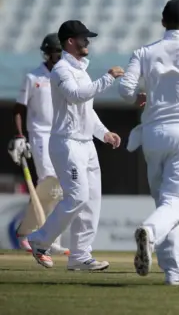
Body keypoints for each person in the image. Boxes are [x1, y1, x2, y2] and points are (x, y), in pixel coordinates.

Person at [119, 0, 179, 286]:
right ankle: (149, 233)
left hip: (152, 133)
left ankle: (174, 274)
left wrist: (142, 96)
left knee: (167, 202)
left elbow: (126, 91)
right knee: (178, 204)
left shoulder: (143, 52)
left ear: (163, 23)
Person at [27, 20, 123, 270]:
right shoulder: (60, 70)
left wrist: (104, 134)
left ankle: (80, 255)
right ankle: (39, 239)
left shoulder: (82, 70)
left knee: (92, 200)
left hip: (86, 144)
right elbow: (75, 95)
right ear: (70, 41)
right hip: (66, 144)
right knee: (77, 197)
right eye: (84, 38)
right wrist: (108, 79)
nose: (87, 42)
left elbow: (86, 111)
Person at [9, 34, 69, 256]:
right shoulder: (32, 76)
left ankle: (46, 237)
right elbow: (19, 109)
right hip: (40, 135)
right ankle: (31, 234)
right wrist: (19, 135)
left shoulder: (65, 76)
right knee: (50, 183)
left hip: (61, 135)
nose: (60, 56)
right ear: (48, 52)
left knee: (59, 190)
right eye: (56, 52)